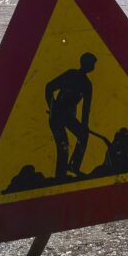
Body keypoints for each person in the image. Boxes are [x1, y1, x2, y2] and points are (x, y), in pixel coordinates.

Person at [45, 52, 96, 180]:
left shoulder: (87, 84)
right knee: (64, 144)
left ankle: (73, 166)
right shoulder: (71, 75)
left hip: (68, 117)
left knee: (83, 135)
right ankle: (60, 175)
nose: (93, 66)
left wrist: (84, 126)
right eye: (92, 64)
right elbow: (49, 87)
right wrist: (52, 107)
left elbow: (86, 108)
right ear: (86, 63)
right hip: (57, 116)